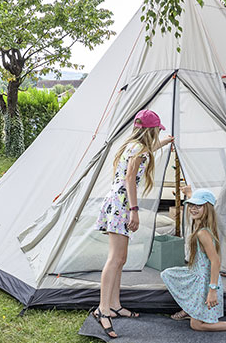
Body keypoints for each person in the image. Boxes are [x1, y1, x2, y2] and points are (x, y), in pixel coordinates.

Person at [90, 109, 175, 338]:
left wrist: (166, 142)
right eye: (158, 131)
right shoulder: (138, 150)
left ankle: (115, 305)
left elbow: (146, 152)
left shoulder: (136, 147)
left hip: (118, 202)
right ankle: (103, 309)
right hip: (121, 204)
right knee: (115, 258)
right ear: (150, 131)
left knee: (121, 258)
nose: (159, 133)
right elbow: (130, 178)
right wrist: (134, 211)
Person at [161, 187, 226, 332]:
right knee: (169, 274)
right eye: (192, 205)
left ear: (207, 208)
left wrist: (212, 290)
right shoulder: (201, 224)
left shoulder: (203, 233)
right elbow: (195, 208)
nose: (193, 209)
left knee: (196, 325)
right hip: (196, 274)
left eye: (198, 206)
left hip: (205, 281)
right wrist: (189, 193)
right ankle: (189, 310)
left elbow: (215, 261)